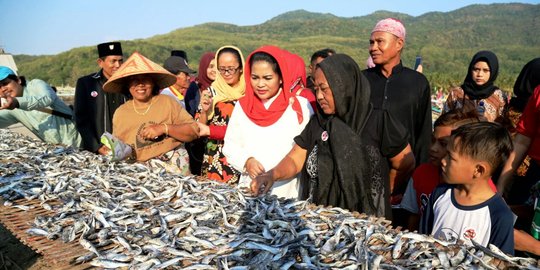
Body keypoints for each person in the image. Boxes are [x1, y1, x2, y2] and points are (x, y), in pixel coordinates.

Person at [251, 54, 414, 219]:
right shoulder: (318, 123)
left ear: (344, 86)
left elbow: (405, 162)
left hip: (367, 223)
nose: (319, 96)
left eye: (324, 88)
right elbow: (295, 159)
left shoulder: (379, 122)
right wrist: (271, 175)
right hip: (322, 222)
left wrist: (385, 188)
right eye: (316, 88)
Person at [223, 45, 314, 199]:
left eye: (267, 78)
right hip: (250, 185)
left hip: (287, 188)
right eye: (255, 78)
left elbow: (305, 150)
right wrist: (247, 161)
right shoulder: (243, 106)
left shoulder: (299, 107)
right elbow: (230, 144)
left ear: (280, 78)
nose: (260, 84)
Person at [420, 122, 515, 255]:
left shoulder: (499, 215)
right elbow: (422, 241)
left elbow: (501, 262)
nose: (443, 160)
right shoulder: (440, 194)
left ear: (478, 170)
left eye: (451, 157)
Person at [103, 52, 199, 175]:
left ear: (153, 82)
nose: (140, 84)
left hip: (175, 171)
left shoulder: (167, 102)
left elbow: (194, 131)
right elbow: (121, 148)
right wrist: (112, 149)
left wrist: (164, 128)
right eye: (134, 80)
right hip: (141, 175)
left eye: (145, 79)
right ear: (127, 85)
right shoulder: (121, 113)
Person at [362, 18, 432, 171]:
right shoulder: (361, 80)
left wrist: (420, 174)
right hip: (365, 170)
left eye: (380, 41)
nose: (373, 48)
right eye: (371, 42)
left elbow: (424, 135)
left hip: (405, 170)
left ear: (399, 44)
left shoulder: (417, 82)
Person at [401, 107, 483, 231]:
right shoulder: (421, 173)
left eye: (443, 144)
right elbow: (413, 218)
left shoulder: (480, 190)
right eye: (433, 140)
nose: (433, 148)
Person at [197, 46, 246, 183]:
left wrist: (211, 130)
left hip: (240, 156)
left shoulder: (249, 94)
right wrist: (205, 111)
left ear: (241, 68)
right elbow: (199, 126)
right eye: (222, 69)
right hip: (214, 157)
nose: (226, 73)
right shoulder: (211, 92)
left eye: (231, 68)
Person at [0, 66, 81, 147]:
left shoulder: (35, 84)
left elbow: (47, 98)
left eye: (5, 83)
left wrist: (17, 102)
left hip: (80, 141)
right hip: (61, 150)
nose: (3, 89)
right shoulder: (12, 108)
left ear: (18, 80)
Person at [74, 41, 125, 154]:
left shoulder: (128, 83)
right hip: (96, 149)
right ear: (100, 62)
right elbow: (81, 118)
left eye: (120, 60)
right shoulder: (86, 83)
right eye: (113, 61)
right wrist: (96, 146)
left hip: (125, 147)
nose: (118, 65)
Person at [444, 50, 508, 124]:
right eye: (476, 69)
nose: (480, 74)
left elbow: (503, 127)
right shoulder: (456, 93)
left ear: (493, 72)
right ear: (470, 70)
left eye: (485, 70)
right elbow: (444, 122)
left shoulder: (499, 97)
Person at [184, 52, 216, 175]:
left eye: (218, 67)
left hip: (219, 143)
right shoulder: (195, 87)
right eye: (211, 66)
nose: (215, 70)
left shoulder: (225, 89)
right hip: (198, 144)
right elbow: (189, 116)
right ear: (203, 67)